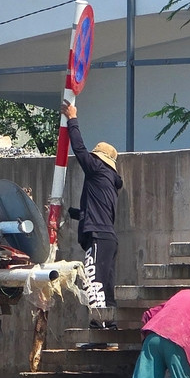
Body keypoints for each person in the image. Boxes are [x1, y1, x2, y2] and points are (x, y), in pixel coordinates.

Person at [62, 100, 123, 328]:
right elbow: (93, 213)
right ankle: (110, 328)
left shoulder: (97, 170)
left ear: (98, 159)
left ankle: (99, 328)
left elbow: (79, 150)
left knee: (93, 283)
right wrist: (69, 213)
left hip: (98, 237)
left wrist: (72, 119)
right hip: (107, 237)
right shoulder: (109, 182)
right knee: (105, 287)